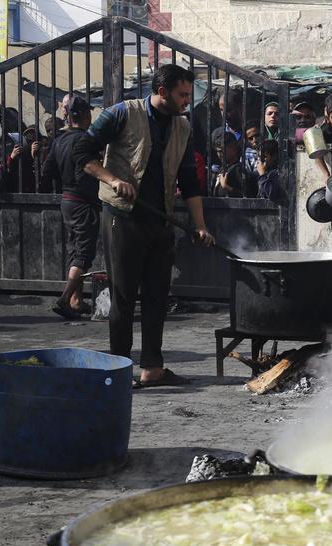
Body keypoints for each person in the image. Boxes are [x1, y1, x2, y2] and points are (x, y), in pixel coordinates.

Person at [75, 64, 216, 388]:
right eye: (182, 94)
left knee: (156, 296)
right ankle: (119, 370)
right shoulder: (123, 113)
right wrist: (113, 179)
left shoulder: (183, 127)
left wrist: (200, 225)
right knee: (124, 298)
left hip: (160, 219)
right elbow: (82, 153)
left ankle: (152, 367)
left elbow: (189, 181)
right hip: (123, 217)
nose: (186, 101)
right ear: (162, 91)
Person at [43, 94, 99, 319]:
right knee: (83, 252)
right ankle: (66, 298)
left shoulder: (59, 141)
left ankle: (76, 300)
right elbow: (88, 172)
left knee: (74, 249)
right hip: (82, 202)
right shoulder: (86, 140)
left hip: (67, 200)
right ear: (85, 116)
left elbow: (48, 172)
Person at [211, 129, 256, 198]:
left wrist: (226, 187)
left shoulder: (239, 170)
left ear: (234, 148)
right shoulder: (222, 169)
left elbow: (247, 197)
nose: (220, 154)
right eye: (218, 151)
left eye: (222, 150)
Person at [256, 139, 284, 204]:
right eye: (259, 157)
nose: (261, 160)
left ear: (274, 156)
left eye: (265, 157)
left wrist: (262, 174)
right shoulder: (263, 172)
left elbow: (272, 194)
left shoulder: (276, 173)